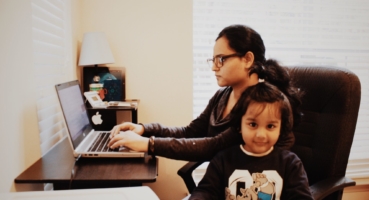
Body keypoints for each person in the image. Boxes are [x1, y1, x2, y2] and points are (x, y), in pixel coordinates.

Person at [108, 24, 302, 161]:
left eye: (221, 59)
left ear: (247, 59)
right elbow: (190, 132)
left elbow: (214, 146)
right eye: (213, 60)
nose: (214, 68)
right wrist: (144, 129)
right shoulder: (224, 95)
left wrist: (148, 144)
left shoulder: (263, 104)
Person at [189, 82, 312, 200]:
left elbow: (301, 197)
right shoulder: (223, 160)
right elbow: (205, 191)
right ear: (239, 125)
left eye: (270, 126)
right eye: (253, 124)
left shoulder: (290, 163)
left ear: (280, 128)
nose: (261, 135)